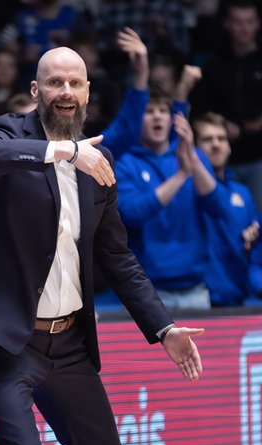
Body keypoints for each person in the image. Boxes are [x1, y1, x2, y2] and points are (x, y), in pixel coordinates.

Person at [0, 46, 205, 445]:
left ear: (88, 91)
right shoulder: (7, 134)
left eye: (74, 83)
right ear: (35, 90)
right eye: (54, 83)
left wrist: (164, 328)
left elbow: (117, 256)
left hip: (68, 344)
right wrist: (62, 152)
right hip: (4, 341)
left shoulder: (97, 162)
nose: (65, 92)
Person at [115, 87, 227, 310]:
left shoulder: (194, 157)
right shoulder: (124, 162)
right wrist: (181, 175)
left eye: (163, 111)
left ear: (172, 119)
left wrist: (192, 160)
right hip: (147, 290)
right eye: (149, 111)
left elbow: (219, 208)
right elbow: (130, 214)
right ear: (137, 118)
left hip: (196, 287)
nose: (157, 116)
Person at [189, 0, 262, 210]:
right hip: (220, 154)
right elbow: (200, 109)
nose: (244, 28)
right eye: (238, 22)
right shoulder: (214, 66)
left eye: (249, 21)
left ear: (257, 23)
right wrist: (221, 125)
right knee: (222, 217)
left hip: (259, 156)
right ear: (228, 24)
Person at [192, 112, 259, 306]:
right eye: (207, 139)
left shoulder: (243, 193)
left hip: (238, 295)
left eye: (221, 139)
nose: (216, 144)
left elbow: (250, 248)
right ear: (194, 148)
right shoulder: (186, 189)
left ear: (229, 146)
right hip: (199, 296)